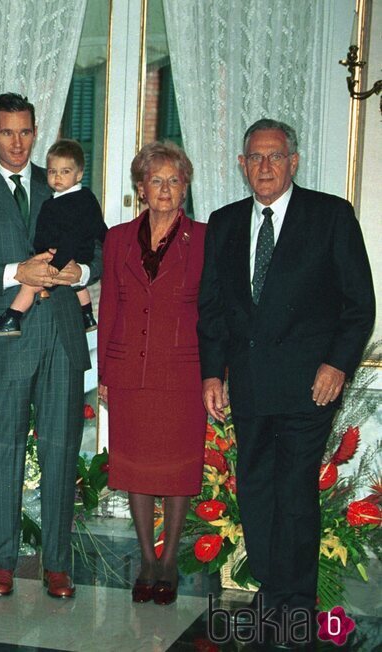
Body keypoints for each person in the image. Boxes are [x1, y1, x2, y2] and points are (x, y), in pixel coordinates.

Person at [198, 119, 374, 642]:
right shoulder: (225, 222)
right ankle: (272, 594)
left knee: (294, 492)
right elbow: (212, 310)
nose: (266, 166)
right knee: (254, 492)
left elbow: (358, 305)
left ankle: (293, 606)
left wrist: (338, 364)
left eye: (275, 156)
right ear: (242, 165)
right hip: (248, 386)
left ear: (294, 162)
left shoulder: (330, 216)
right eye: (255, 157)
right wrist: (212, 373)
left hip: (307, 387)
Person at [0, 93, 101, 598]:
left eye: (26, 132)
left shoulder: (60, 183)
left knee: (60, 451)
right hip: (7, 340)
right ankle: (3, 561)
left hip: (60, 337)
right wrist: (16, 272)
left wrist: (85, 272)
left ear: (36, 133)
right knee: (5, 449)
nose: (18, 143)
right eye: (7, 132)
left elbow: (98, 245)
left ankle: (57, 564)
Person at [97, 142, 205, 606]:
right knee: (137, 467)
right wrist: (104, 371)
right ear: (140, 187)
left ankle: (170, 560)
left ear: (185, 187)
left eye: (174, 180)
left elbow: (214, 310)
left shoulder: (205, 238)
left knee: (178, 470)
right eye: (155, 180)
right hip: (128, 369)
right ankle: (146, 559)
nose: (164, 189)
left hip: (183, 371)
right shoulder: (117, 237)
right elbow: (110, 306)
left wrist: (217, 373)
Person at [0, 139, 106, 336]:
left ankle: (12, 317)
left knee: (30, 284)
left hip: (66, 255)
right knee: (75, 283)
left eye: (65, 172)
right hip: (66, 254)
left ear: (79, 174)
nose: (57, 177)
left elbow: (75, 235)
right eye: (52, 172)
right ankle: (86, 315)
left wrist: (58, 263)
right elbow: (98, 228)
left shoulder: (71, 202)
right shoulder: (75, 198)